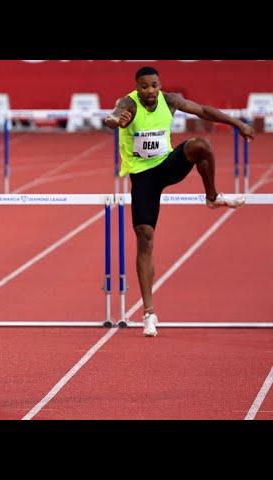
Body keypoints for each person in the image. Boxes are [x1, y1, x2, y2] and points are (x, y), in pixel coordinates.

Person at [104, 66, 255, 337]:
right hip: (143, 176)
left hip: (167, 165)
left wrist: (238, 124)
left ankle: (212, 197)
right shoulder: (128, 103)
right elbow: (112, 116)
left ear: (160, 85)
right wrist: (116, 121)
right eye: (145, 86)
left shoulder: (170, 100)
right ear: (137, 87)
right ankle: (149, 313)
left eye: (154, 85)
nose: (150, 91)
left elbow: (204, 111)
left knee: (201, 145)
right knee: (145, 236)